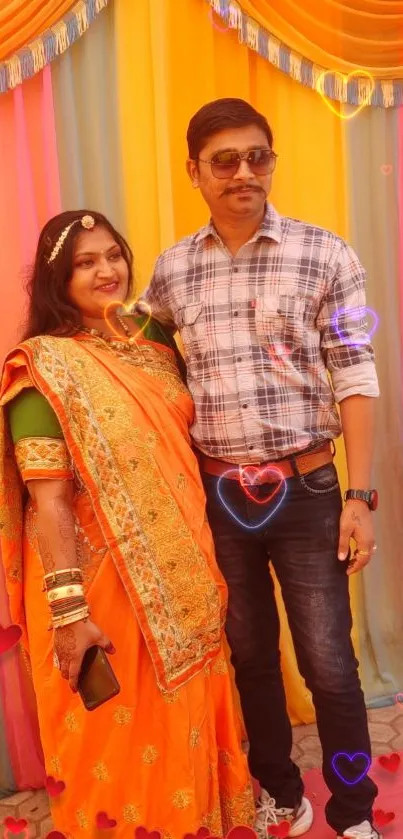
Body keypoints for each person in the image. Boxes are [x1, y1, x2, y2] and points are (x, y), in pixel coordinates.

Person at [138, 99, 381, 839]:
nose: (244, 172)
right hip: (217, 495)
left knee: (329, 664)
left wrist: (360, 496)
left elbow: (356, 372)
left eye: (257, 157)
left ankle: (351, 811)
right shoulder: (172, 271)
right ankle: (279, 790)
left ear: (271, 163)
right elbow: (139, 368)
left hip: (308, 488)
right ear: (194, 172)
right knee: (248, 655)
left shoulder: (327, 254)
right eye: (225, 160)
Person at [0, 210, 255, 839]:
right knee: (114, 738)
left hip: (184, 568)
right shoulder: (42, 370)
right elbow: (49, 502)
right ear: (60, 279)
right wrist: (68, 612)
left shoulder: (150, 340)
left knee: (185, 716)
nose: (106, 271)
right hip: (97, 589)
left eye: (113, 254)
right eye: (85, 262)